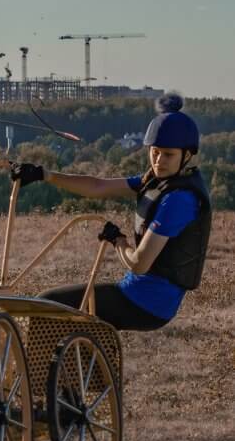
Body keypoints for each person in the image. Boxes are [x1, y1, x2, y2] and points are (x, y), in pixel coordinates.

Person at [11, 93, 211, 331]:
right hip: (137, 292)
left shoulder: (179, 200)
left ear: (186, 156)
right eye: (154, 152)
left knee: (48, 303)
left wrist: (118, 241)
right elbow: (98, 186)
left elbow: (139, 264)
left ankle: (37, 368)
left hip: (148, 303)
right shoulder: (155, 180)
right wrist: (44, 174)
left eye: (168, 155)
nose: (158, 161)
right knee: (62, 316)